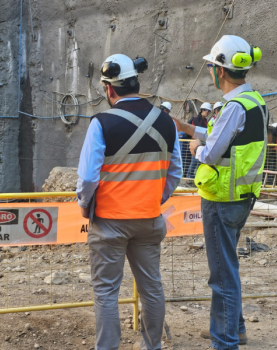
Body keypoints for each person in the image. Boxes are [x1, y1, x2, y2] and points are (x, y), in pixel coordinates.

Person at [76, 54, 182, 350]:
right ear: (136, 82)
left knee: (107, 293)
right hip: (149, 220)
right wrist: (154, 199)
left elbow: (87, 178)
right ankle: (152, 346)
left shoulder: (101, 123)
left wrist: (86, 206)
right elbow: (176, 172)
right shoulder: (166, 122)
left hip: (109, 221)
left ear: (109, 89)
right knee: (151, 288)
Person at [172, 35, 266, 350]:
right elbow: (223, 136)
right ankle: (233, 329)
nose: (211, 71)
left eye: (212, 66)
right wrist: (187, 128)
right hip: (241, 198)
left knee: (221, 275)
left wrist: (196, 146)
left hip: (221, 201)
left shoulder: (234, 107)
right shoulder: (253, 100)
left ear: (220, 71)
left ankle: (225, 342)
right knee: (228, 266)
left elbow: (211, 153)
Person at [187, 103, 213, 178]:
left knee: (199, 162)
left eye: (209, 111)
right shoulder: (196, 119)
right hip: (195, 142)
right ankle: (189, 177)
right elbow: (200, 128)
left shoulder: (205, 120)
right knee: (194, 161)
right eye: (206, 110)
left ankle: (194, 177)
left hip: (201, 143)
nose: (207, 112)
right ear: (202, 110)